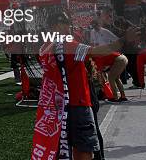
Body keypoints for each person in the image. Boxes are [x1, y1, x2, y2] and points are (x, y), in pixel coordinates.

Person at [34, 12, 138, 160]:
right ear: (56, 25)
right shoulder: (67, 44)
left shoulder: (44, 48)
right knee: (84, 150)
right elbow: (100, 51)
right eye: (65, 22)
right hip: (78, 103)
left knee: (65, 149)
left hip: (57, 108)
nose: (69, 25)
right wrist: (124, 39)